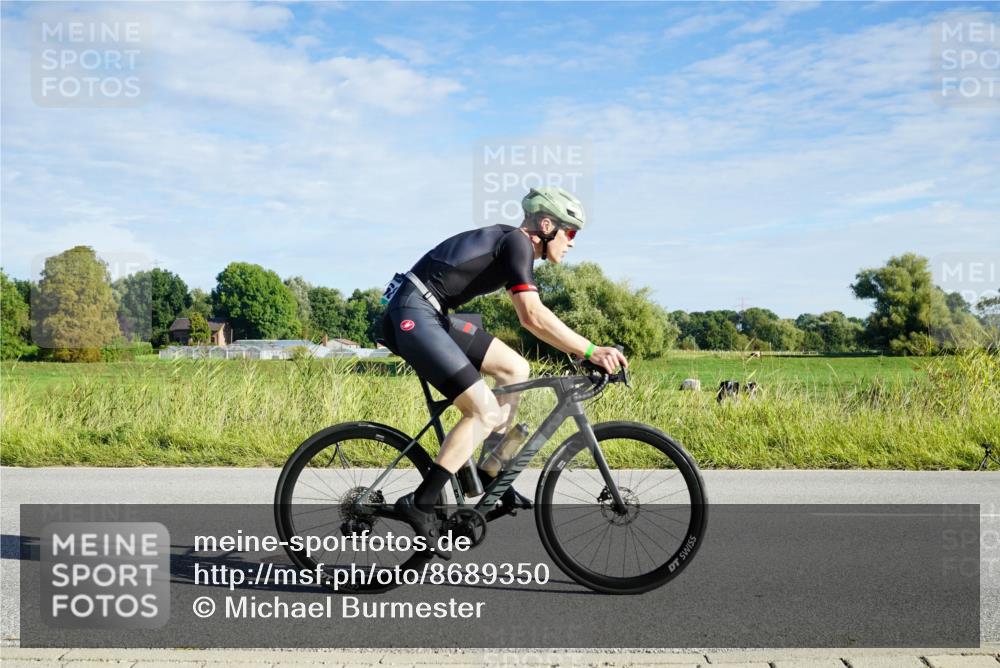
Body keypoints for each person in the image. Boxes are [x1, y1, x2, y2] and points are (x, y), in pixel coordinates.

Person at [379, 186, 628, 558]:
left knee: (515, 368)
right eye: (570, 232)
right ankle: (420, 501)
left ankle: (490, 472)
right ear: (547, 225)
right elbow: (531, 316)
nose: (573, 243)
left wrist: (579, 352)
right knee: (482, 411)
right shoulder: (518, 242)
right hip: (413, 313)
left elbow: (534, 319)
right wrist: (590, 350)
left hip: (431, 313)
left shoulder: (515, 245)